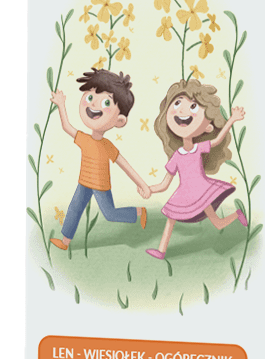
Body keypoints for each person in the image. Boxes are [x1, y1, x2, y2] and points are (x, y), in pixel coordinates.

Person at [143, 77, 247, 260]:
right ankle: (161, 251)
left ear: (207, 127)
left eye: (193, 107)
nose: (181, 111)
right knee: (171, 219)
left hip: (202, 191)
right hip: (184, 193)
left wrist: (232, 119)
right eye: (177, 103)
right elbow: (164, 184)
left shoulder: (199, 148)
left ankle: (237, 214)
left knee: (218, 223)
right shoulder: (176, 156)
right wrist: (149, 189)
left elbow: (217, 140)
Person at [48, 69, 150, 251]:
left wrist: (142, 184)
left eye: (105, 102)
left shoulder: (107, 146)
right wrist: (61, 104)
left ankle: (138, 212)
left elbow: (125, 166)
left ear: (119, 121)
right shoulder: (84, 139)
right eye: (90, 97)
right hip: (84, 183)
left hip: (101, 186)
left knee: (110, 214)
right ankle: (65, 242)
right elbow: (66, 126)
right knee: (74, 208)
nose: (93, 105)